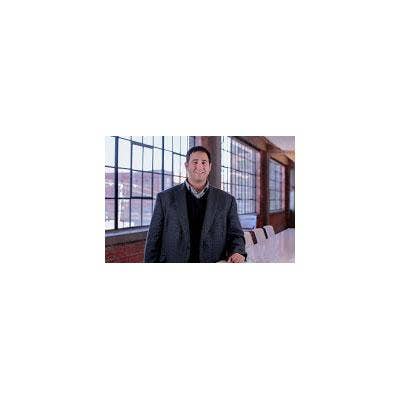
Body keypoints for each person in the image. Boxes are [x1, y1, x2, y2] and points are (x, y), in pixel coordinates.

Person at [144, 145, 246, 263]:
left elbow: (236, 234)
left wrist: (238, 251)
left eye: (204, 162)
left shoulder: (227, 200)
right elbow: (154, 238)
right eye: (195, 162)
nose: (199, 166)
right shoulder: (165, 198)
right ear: (186, 165)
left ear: (210, 167)